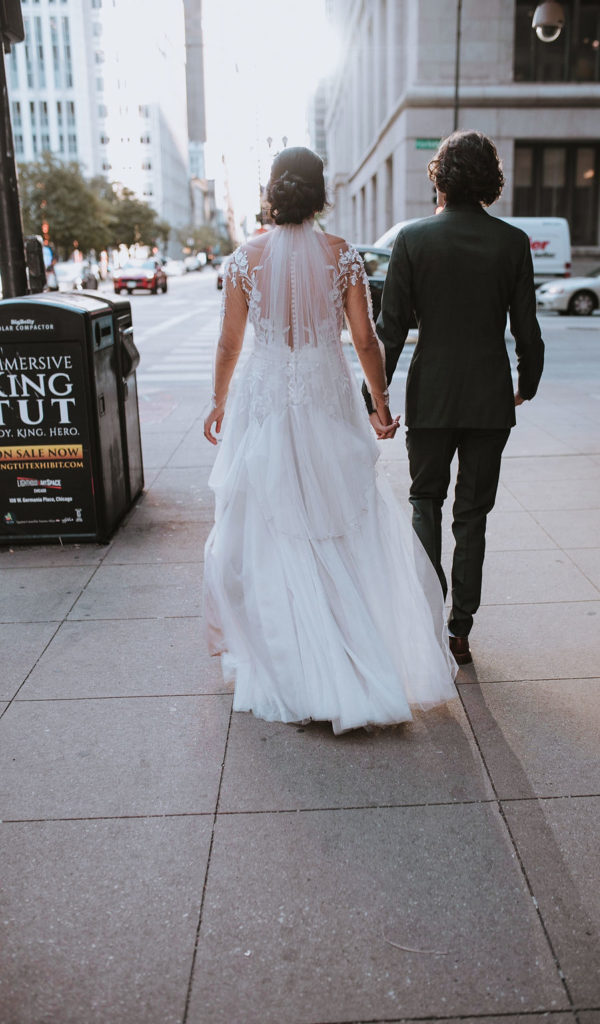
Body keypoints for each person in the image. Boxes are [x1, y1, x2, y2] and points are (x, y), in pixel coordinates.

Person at [203, 147, 456, 735]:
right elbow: (367, 341)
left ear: (273, 192)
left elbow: (228, 343)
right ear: (320, 192)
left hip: (265, 400)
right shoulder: (342, 258)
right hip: (324, 393)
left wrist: (219, 401)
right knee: (335, 521)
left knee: (269, 526)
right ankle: (349, 658)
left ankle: (291, 663)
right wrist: (380, 405)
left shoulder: (244, 260)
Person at [366, 130, 545, 666]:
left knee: (425, 502)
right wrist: (526, 382)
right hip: (490, 398)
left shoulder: (413, 241)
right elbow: (527, 329)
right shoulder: (512, 243)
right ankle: (461, 627)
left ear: (440, 178)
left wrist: (376, 400)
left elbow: (389, 331)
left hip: (432, 397)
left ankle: (427, 609)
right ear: (489, 180)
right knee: (473, 514)